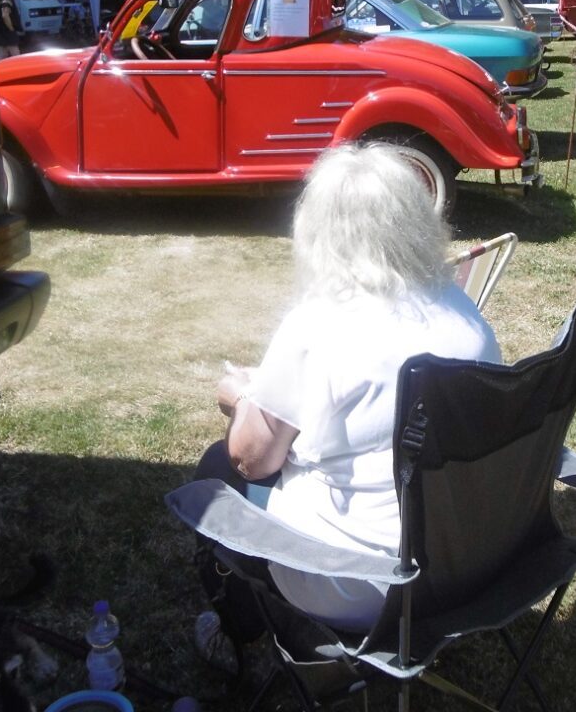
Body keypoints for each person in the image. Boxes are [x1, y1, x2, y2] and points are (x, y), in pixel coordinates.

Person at [190, 142, 501, 671]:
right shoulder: (462, 309)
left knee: (217, 469)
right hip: (466, 562)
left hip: (355, 582)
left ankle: (238, 631)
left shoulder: (318, 324)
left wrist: (243, 395)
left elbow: (252, 459)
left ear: (318, 232)